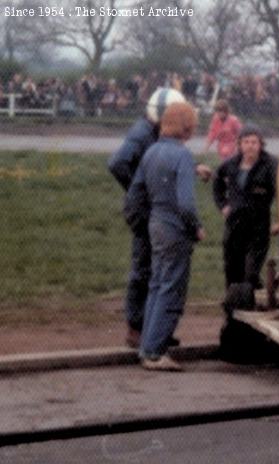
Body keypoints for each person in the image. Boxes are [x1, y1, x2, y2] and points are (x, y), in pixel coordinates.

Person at [126, 101, 206, 371]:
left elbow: (137, 191)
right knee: (171, 288)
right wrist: (196, 227)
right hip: (174, 228)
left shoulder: (151, 151)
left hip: (155, 224)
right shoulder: (182, 155)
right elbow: (186, 203)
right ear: (186, 126)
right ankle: (155, 351)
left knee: (157, 285)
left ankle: (147, 345)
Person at [108, 87, 189, 349]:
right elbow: (118, 163)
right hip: (144, 210)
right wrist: (141, 191)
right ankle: (136, 328)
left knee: (154, 268)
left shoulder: (149, 131)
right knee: (144, 267)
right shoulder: (142, 133)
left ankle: (152, 328)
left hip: (148, 208)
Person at [212, 124, 277, 290]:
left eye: (254, 142)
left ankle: (253, 296)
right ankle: (233, 311)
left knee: (250, 273)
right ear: (239, 144)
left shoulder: (270, 165)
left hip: (258, 226)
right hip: (234, 224)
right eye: (246, 142)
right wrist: (223, 205)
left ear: (260, 144)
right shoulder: (230, 165)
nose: (250, 146)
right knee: (233, 271)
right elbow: (217, 182)